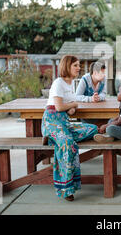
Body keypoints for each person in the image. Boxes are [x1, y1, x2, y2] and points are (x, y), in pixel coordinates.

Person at [41, 55, 98, 201]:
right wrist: (73, 105)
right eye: (76, 65)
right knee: (68, 145)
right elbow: (59, 107)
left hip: (64, 121)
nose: (79, 68)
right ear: (67, 66)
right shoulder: (58, 83)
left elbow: (69, 110)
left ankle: (54, 139)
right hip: (52, 120)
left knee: (92, 128)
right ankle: (66, 188)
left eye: (79, 65)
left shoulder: (71, 84)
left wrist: (71, 107)